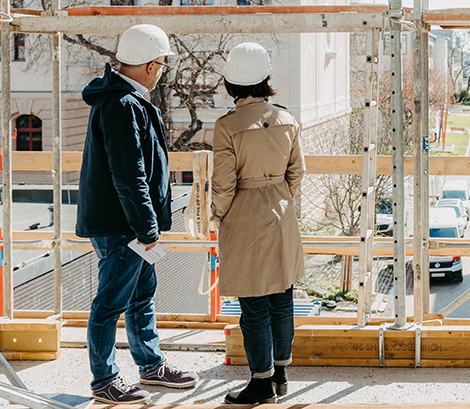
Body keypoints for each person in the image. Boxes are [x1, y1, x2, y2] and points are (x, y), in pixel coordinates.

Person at [77, 24, 199, 404]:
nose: (163, 70)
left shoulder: (123, 99)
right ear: (148, 65)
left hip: (129, 223)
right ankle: (105, 381)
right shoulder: (121, 105)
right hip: (124, 226)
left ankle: (150, 365)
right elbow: (130, 175)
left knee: (141, 294)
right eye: (162, 63)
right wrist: (147, 228)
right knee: (110, 302)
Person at [211, 43, 307, 404]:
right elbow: (297, 172)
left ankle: (260, 383)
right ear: (266, 78)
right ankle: (281, 376)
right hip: (281, 212)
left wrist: (217, 215)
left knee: (253, 305)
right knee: (282, 299)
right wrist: (278, 195)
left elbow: (223, 182)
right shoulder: (286, 118)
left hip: (244, 215)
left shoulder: (227, 126)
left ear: (231, 84)